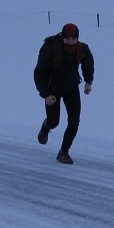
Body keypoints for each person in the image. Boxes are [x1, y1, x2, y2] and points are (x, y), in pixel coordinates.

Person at [33, 22, 95, 164]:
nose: (71, 42)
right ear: (62, 37)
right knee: (54, 121)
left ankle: (64, 152)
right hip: (52, 89)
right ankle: (46, 127)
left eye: (74, 39)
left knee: (74, 121)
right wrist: (45, 94)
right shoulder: (50, 48)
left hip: (71, 87)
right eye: (68, 39)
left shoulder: (82, 48)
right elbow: (39, 72)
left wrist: (88, 82)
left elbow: (88, 64)